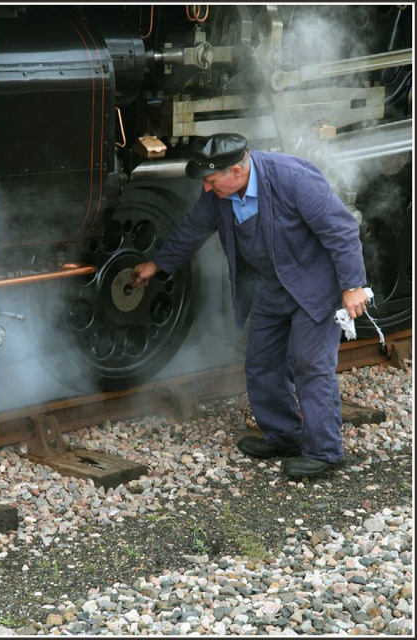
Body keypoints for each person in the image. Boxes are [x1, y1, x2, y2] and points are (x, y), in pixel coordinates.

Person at [130, 133, 369, 478]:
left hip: (314, 284)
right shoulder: (218, 193)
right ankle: (284, 436)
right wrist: (156, 265)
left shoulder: (294, 178)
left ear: (237, 171)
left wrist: (352, 285)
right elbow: (193, 229)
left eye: (212, 181)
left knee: (311, 365)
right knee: (261, 362)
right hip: (271, 286)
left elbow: (342, 230)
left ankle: (325, 451)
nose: (208, 189)